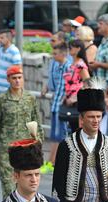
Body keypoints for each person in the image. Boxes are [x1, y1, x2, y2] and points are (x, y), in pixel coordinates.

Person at [0, 66, 41, 198]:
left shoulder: (30, 98)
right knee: (8, 187)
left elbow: (36, 121)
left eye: (19, 78)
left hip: (26, 149)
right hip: (6, 150)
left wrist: (39, 143)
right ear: (8, 80)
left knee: (25, 187)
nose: (17, 81)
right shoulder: (0, 100)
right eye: (14, 78)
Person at [43, 43, 71, 174]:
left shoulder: (68, 67)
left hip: (61, 106)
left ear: (63, 54)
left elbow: (69, 86)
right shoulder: (59, 66)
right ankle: (51, 161)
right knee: (55, 135)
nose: (53, 56)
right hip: (56, 105)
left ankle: (54, 162)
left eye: (56, 53)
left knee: (60, 135)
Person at [60, 40, 91, 131]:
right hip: (70, 100)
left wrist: (76, 97)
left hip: (77, 101)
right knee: (73, 129)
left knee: (78, 129)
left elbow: (88, 83)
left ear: (78, 49)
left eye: (71, 47)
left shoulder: (80, 65)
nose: (69, 49)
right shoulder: (72, 65)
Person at [0, 29, 22, 97]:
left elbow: (18, 71)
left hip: (6, 91)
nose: (0, 40)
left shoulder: (14, 51)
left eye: (2, 38)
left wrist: (20, 90)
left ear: (8, 39)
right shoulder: (0, 50)